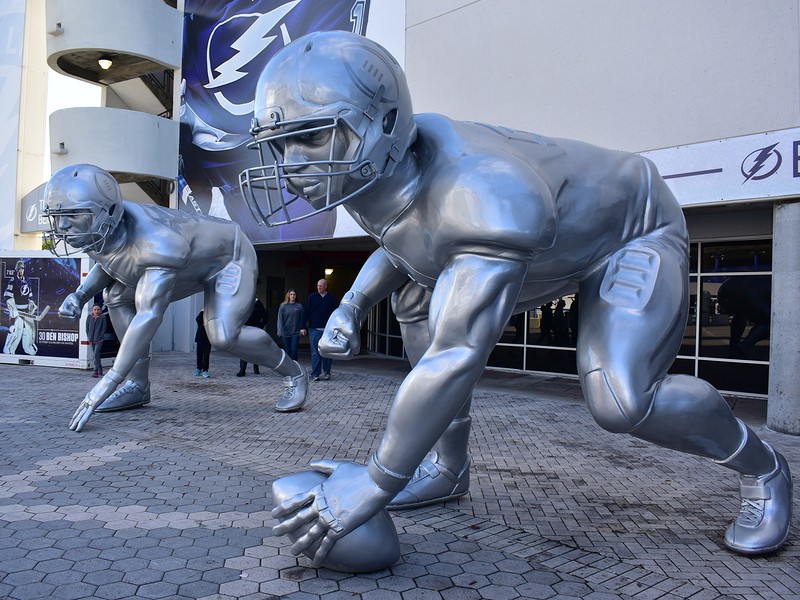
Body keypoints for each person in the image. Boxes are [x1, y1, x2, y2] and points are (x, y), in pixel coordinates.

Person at [241, 31, 793, 565]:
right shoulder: (379, 166)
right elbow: (406, 242)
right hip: (543, 237)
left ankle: (764, 467)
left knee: (621, 400)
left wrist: (379, 477)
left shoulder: (481, 193)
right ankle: (448, 470)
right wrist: (352, 306)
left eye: (311, 137)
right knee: (416, 301)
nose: (290, 167)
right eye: (280, 143)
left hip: (631, 230)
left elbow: (458, 354)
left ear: (386, 123)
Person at [43, 163, 309, 432]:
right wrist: (81, 294)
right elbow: (110, 260)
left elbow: (149, 315)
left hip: (229, 257)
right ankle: (138, 385)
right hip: (189, 260)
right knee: (115, 295)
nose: (63, 226)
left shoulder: (157, 242)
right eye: (58, 216)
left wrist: (109, 379)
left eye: (74, 215)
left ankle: (294, 373)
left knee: (222, 336)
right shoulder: (105, 225)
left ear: (108, 211)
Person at [302, 279, 338, 381]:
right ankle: (315, 373)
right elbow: (306, 313)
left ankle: (327, 371)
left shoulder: (331, 298)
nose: (319, 287)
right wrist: (302, 327)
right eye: (318, 285)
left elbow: (336, 314)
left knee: (327, 351)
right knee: (315, 352)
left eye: (321, 285)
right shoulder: (312, 297)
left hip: (328, 330)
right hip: (314, 329)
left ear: (326, 286)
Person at [3, 260, 40, 356]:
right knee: (16, 331)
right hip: (17, 311)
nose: (21, 270)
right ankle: (9, 348)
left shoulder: (27, 280)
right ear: (17, 270)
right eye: (19, 269)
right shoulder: (13, 281)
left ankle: (28, 348)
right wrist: (13, 311)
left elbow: (30, 295)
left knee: (29, 331)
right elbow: (8, 296)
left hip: (26, 311)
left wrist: (32, 304)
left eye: (22, 268)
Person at [236, 297, 268, 376]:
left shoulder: (258, 304)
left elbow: (265, 317)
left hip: (255, 329)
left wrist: (260, 326)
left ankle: (256, 368)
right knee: (243, 350)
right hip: (245, 329)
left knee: (255, 349)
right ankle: (242, 369)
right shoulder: (244, 302)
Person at [278, 289, 304, 361]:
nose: (292, 296)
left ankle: (295, 366)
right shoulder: (283, 306)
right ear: (288, 296)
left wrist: (302, 329)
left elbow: (302, 319)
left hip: (295, 332)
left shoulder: (299, 306)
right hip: (285, 332)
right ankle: (288, 367)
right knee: (287, 350)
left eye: (294, 294)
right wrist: (280, 330)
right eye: (291, 294)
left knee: (294, 350)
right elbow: (280, 319)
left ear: (296, 296)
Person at [86, 304, 107, 377]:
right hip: (91, 339)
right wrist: (89, 336)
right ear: (92, 310)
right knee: (95, 355)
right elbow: (87, 328)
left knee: (95, 354)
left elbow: (104, 327)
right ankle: (99, 370)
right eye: (95, 309)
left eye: (98, 309)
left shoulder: (103, 317)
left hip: (99, 339)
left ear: (100, 310)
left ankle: (96, 370)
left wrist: (100, 336)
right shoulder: (89, 317)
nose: (96, 311)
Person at [195, 310, 211, 377]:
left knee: (206, 356)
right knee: (199, 354)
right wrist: (202, 311)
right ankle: (199, 368)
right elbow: (197, 319)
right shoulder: (201, 317)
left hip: (208, 339)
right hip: (200, 338)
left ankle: (205, 370)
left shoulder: (210, 317)